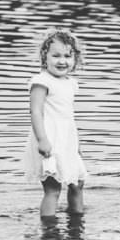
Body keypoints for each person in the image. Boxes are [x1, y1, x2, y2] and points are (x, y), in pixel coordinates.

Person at [28, 29, 87, 217]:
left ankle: (76, 218)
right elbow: (35, 112)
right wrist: (42, 140)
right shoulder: (41, 81)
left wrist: (76, 145)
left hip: (67, 140)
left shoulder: (70, 83)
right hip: (49, 139)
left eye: (68, 56)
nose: (62, 61)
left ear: (75, 59)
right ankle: (49, 226)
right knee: (53, 188)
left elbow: (68, 117)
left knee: (77, 182)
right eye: (56, 56)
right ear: (44, 57)